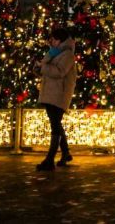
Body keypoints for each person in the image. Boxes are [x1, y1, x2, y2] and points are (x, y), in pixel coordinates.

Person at [36, 24, 77, 171]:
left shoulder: (67, 55)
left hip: (59, 94)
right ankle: (65, 153)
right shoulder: (54, 52)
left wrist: (43, 67)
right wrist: (41, 65)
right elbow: (47, 67)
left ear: (60, 40)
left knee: (55, 125)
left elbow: (60, 72)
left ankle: (50, 159)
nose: (51, 42)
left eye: (53, 39)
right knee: (56, 124)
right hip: (50, 92)